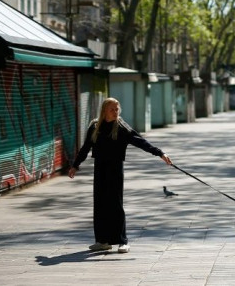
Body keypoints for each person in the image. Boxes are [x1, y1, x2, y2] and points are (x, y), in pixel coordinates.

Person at [69, 97, 172, 253]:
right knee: (100, 205)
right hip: (100, 169)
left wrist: (159, 153)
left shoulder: (122, 128)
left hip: (115, 169)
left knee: (116, 205)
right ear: (104, 110)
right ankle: (102, 241)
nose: (116, 112)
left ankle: (122, 241)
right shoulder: (95, 127)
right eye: (112, 109)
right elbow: (85, 148)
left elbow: (140, 141)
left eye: (117, 109)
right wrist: (75, 165)